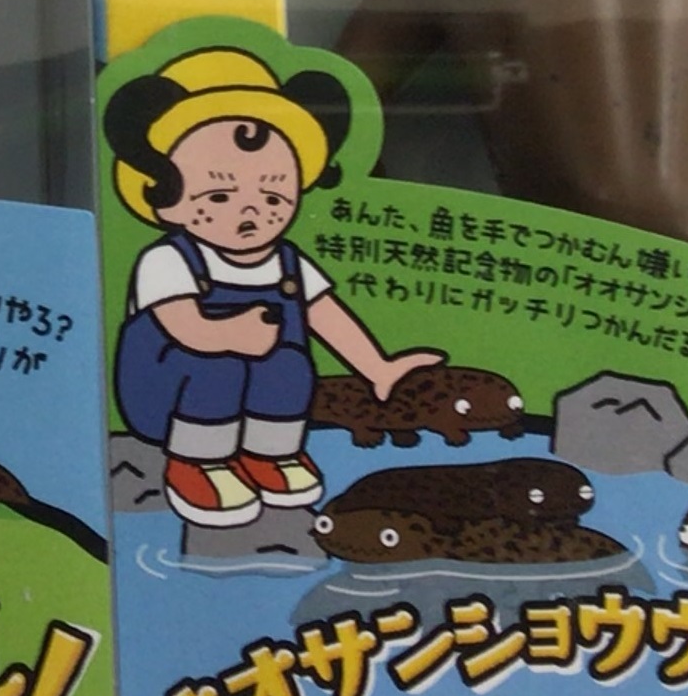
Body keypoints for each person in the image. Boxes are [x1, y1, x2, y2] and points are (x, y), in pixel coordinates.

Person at [106, 45, 441, 528]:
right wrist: (227, 335)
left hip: (248, 383)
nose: (250, 210)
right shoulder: (168, 260)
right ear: (167, 199)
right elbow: (183, 326)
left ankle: (268, 453)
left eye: (272, 195)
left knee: (290, 362)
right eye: (219, 195)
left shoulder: (287, 261)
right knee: (219, 366)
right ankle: (196, 463)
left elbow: (325, 313)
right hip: (163, 391)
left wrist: (377, 367)